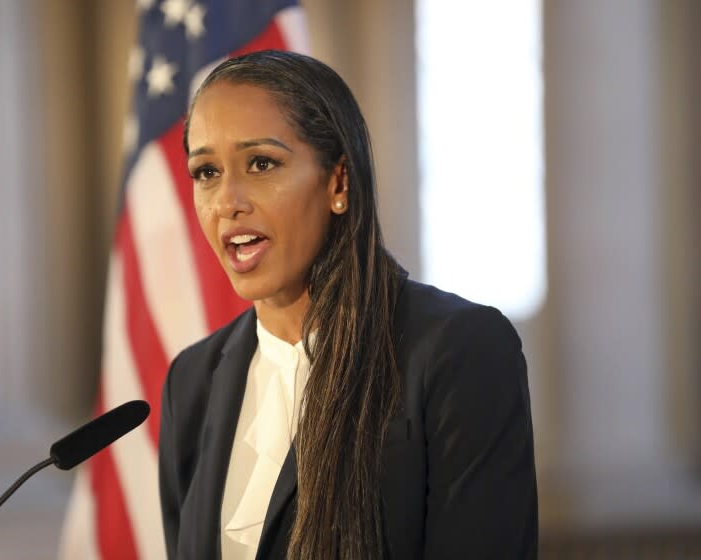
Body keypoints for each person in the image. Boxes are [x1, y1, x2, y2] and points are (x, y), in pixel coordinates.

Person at [158, 50, 538, 560]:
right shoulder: (192, 380)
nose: (228, 201)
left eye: (261, 163)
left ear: (338, 182)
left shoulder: (458, 351)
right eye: (206, 172)